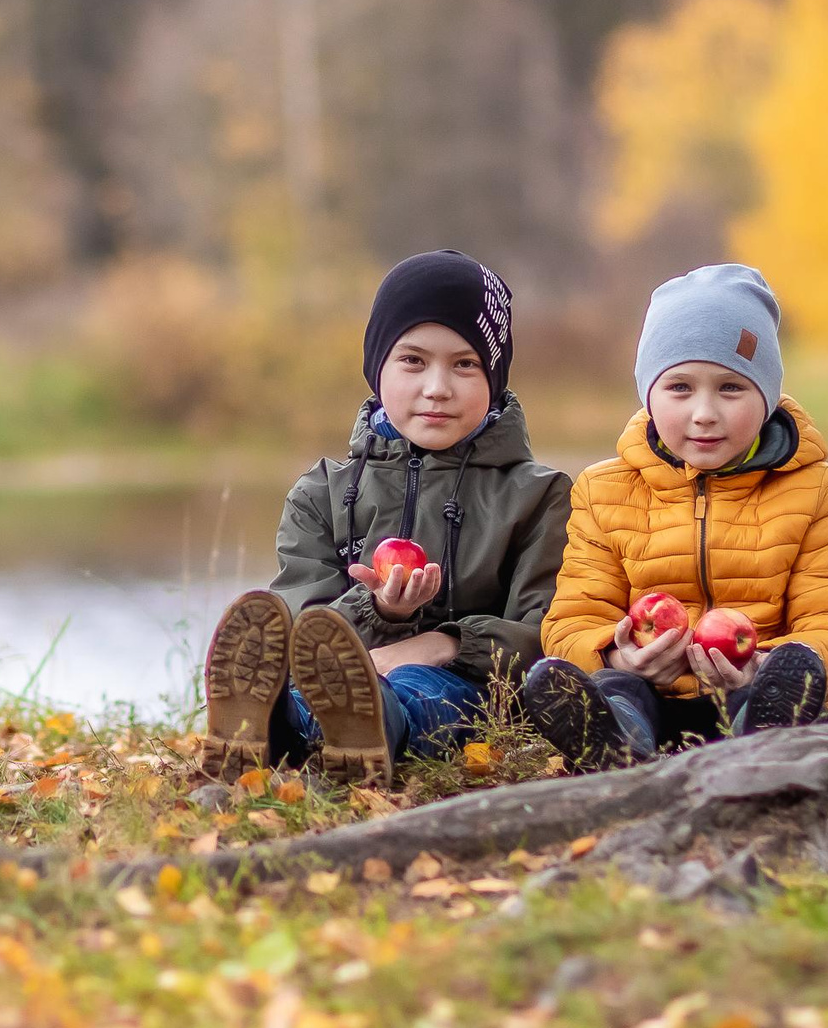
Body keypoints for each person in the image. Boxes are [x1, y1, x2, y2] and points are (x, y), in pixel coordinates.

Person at [200, 250, 568, 786]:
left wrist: (440, 644)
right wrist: (376, 611)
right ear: (377, 367)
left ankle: (368, 729)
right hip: (333, 677)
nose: (437, 387)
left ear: (494, 375)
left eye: (465, 364)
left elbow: (547, 634)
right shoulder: (321, 493)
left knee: (422, 693)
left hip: (463, 686)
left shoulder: (540, 497)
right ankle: (266, 726)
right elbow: (305, 624)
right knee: (302, 689)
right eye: (413, 361)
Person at [522, 263, 828, 769]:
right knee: (619, 687)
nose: (704, 412)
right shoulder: (604, 491)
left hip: (754, 690)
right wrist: (618, 655)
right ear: (648, 395)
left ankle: (770, 730)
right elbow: (573, 619)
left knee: (786, 699)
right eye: (680, 388)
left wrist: (768, 666)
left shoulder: (812, 489)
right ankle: (618, 741)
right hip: (656, 701)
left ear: (767, 398)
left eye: (731, 388)